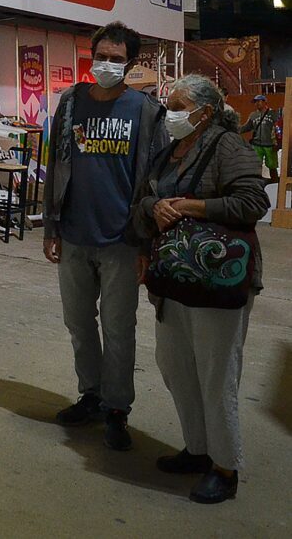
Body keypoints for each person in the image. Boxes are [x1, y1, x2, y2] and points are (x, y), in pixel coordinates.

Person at [132, 74, 268, 504]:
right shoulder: (171, 150)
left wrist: (191, 205)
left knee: (216, 375)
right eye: (168, 105)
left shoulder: (229, 147)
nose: (169, 113)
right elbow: (144, 201)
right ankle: (197, 448)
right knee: (175, 367)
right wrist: (155, 207)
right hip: (175, 279)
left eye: (177, 106)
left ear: (204, 112)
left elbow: (253, 203)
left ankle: (225, 468)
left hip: (217, 282)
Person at [42, 21, 167, 450]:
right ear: (91, 56)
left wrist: (147, 244)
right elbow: (55, 165)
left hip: (122, 240)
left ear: (130, 63)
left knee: (119, 329)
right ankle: (90, 395)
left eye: (117, 59)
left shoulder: (146, 112)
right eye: (102, 56)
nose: (108, 64)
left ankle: (117, 408)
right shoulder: (72, 102)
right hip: (75, 235)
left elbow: (155, 181)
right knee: (78, 323)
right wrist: (51, 226)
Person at [239, 94, 279, 182]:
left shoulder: (273, 114)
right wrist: (236, 129)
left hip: (270, 145)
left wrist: (277, 142)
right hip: (257, 145)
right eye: (255, 102)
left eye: (258, 101)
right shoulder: (253, 115)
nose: (256, 103)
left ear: (265, 102)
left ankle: (276, 184)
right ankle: (258, 183)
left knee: (272, 166)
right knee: (256, 165)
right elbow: (247, 127)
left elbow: (278, 128)